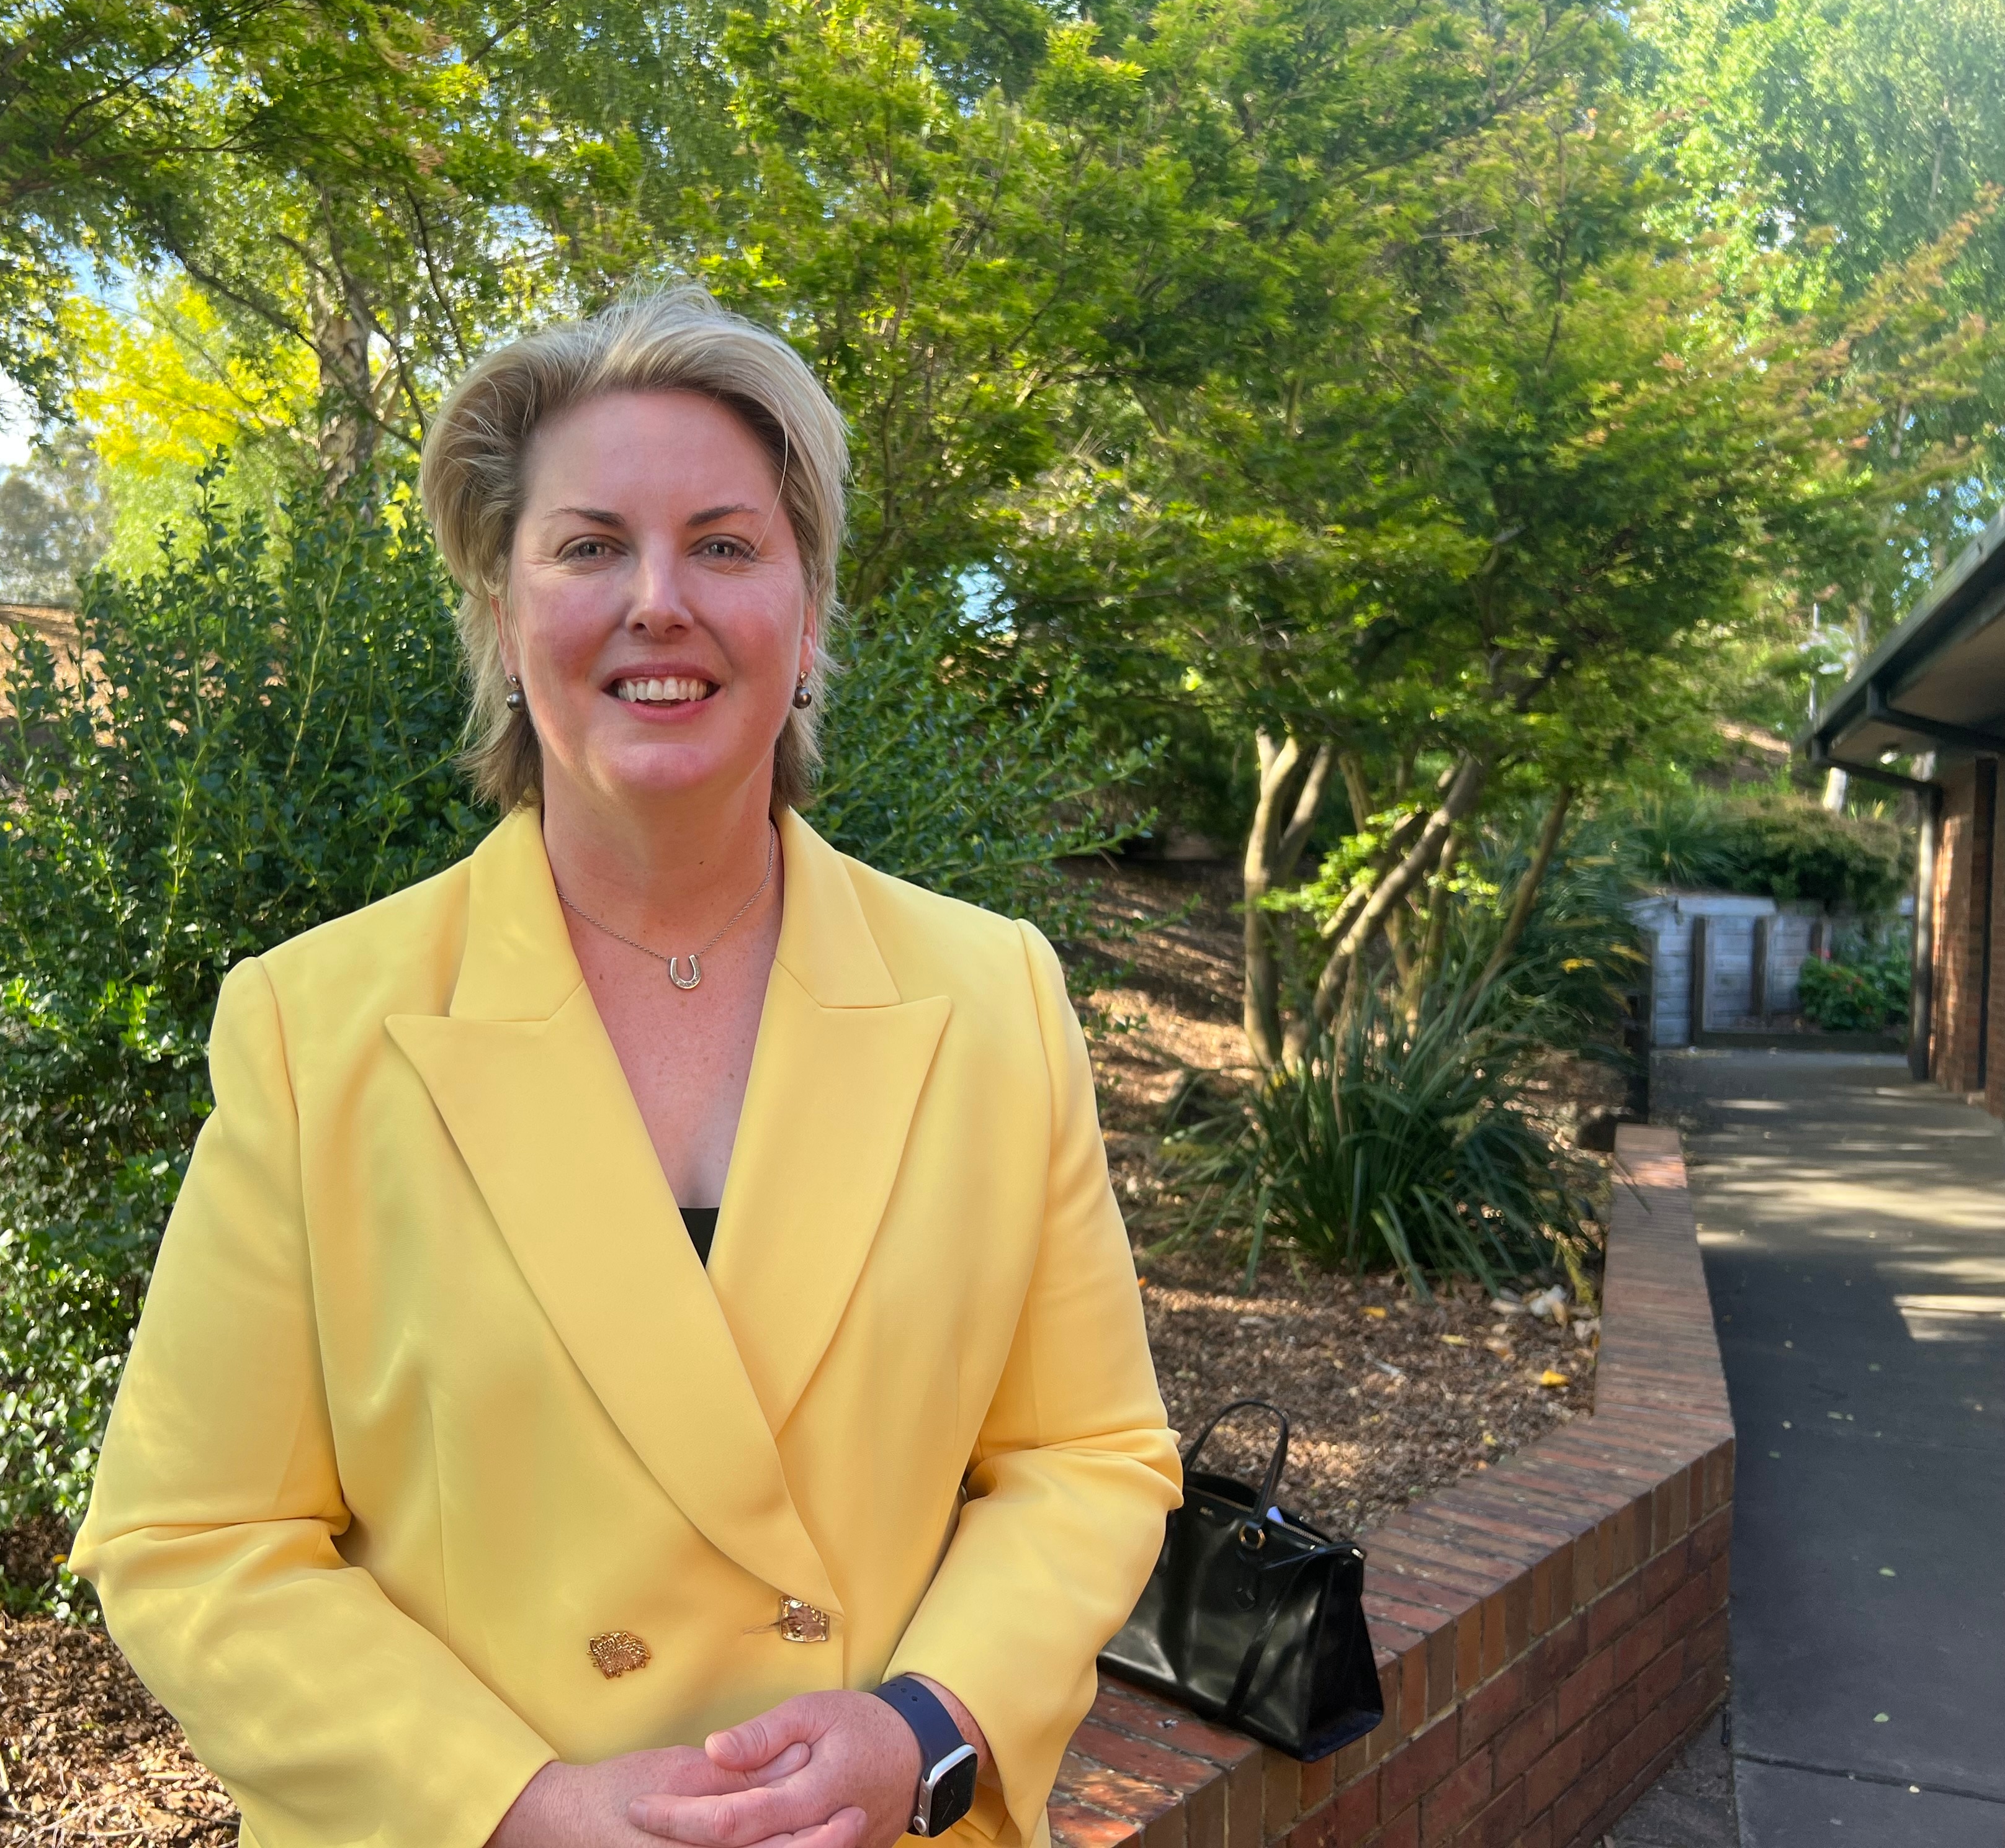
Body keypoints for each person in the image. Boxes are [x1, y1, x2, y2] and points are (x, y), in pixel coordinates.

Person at [68, 287, 1182, 1848]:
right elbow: (194, 1538)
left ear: (808, 617)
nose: (659, 601)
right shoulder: (314, 1028)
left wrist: (927, 1733)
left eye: (725, 546)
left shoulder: (994, 997)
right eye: (590, 547)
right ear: (503, 617)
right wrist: (512, 1807)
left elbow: (1087, 1454)